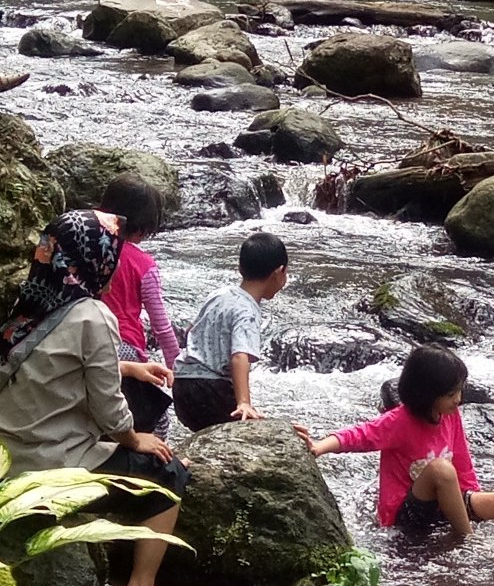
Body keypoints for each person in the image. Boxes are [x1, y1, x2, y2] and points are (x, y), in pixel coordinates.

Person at [0, 209, 189, 586]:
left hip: (8, 454)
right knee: (169, 477)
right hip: (51, 462)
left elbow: (49, 363)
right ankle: (142, 580)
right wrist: (137, 440)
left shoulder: (35, 298)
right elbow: (109, 411)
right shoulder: (93, 315)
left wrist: (127, 367)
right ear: (96, 257)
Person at [299, 344, 494, 544]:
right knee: (440, 469)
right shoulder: (398, 421)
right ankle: (469, 543)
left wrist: (472, 501)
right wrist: (318, 447)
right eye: (451, 394)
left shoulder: (450, 416)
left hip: (445, 504)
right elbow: (355, 436)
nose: (459, 399)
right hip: (405, 514)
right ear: (426, 394)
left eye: (460, 390)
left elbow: (462, 461)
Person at [173, 231, 288, 432]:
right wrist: (244, 402)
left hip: (182, 385)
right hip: (210, 390)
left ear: (240, 267)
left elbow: (191, 330)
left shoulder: (219, 294)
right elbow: (239, 357)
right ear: (278, 273)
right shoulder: (248, 310)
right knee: (249, 431)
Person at [100, 173, 181, 437]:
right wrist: (176, 369)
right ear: (144, 226)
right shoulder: (144, 265)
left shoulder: (90, 249)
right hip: (127, 348)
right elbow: (161, 325)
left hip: (92, 343)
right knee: (155, 421)